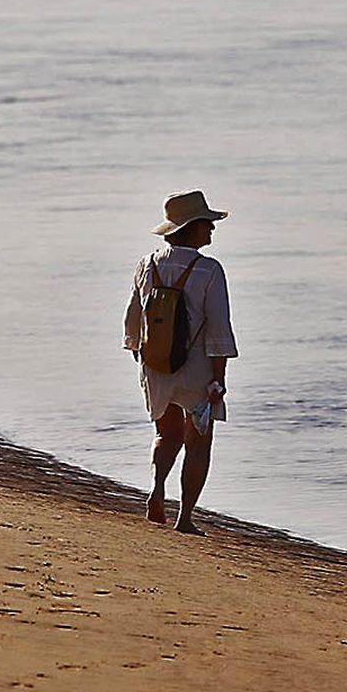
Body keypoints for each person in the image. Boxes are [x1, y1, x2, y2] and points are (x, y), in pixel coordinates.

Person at [123, 191, 239, 535]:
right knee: (198, 443)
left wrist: (142, 356)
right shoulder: (209, 270)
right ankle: (185, 517)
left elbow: (133, 317)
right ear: (191, 228)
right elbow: (218, 328)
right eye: (207, 225)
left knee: (167, 434)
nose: (212, 232)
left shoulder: (148, 263)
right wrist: (218, 380)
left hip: (156, 365)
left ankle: (157, 489)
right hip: (198, 369)